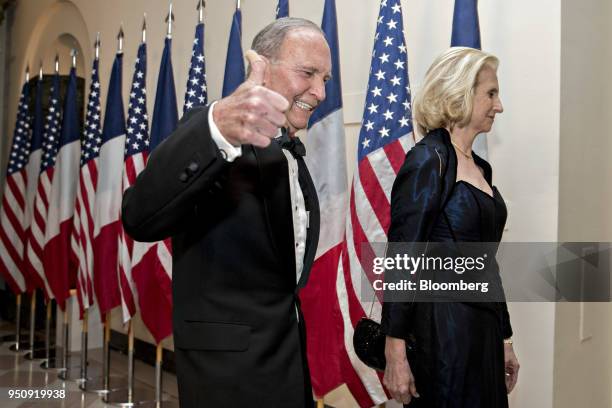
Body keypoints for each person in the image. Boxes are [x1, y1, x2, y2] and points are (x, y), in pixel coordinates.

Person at [121, 17, 331, 407]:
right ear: (262, 66)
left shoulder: (292, 155)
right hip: (225, 375)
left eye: (326, 79)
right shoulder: (212, 134)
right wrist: (215, 127)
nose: (319, 92)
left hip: (286, 366)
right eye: (308, 73)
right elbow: (139, 216)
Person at [380, 47, 520, 407]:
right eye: (491, 93)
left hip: (483, 331)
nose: (499, 105)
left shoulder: (481, 169)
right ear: (460, 92)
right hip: (444, 332)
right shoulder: (428, 159)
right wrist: (395, 351)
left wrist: (505, 337)